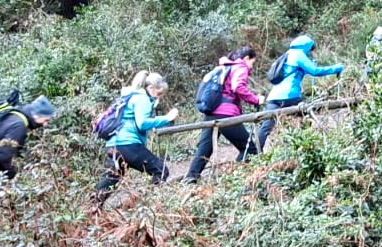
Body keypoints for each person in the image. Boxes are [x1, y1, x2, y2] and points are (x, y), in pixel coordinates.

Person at [185, 48, 263, 183]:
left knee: (204, 149)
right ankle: (234, 177)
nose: (251, 66)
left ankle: (190, 178)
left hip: (211, 113)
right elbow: (238, 87)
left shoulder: (224, 67)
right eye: (252, 62)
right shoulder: (240, 67)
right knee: (249, 149)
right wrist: (256, 99)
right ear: (246, 58)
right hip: (226, 115)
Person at [95, 71, 178, 197]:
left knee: (110, 180)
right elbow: (142, 123)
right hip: (128, 144)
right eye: (159, 93)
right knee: (160, 170)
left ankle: (91, 206)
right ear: (151, 88)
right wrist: (167, 118)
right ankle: (151, 202)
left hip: (113, 144)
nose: (159, 97)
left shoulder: (130, 96)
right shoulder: (142, 99)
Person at [257, 35, 343, 152]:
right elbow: (315, 71)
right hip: (290, 96)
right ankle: (303, 149)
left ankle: (254, 152)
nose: (310, 52)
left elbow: (295, 71)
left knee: (267, 126)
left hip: (273, 97)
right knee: (306, 117)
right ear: (306, 46)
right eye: (310, 49)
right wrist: (336, 68)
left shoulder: (287, 54)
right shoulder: (299, 54)